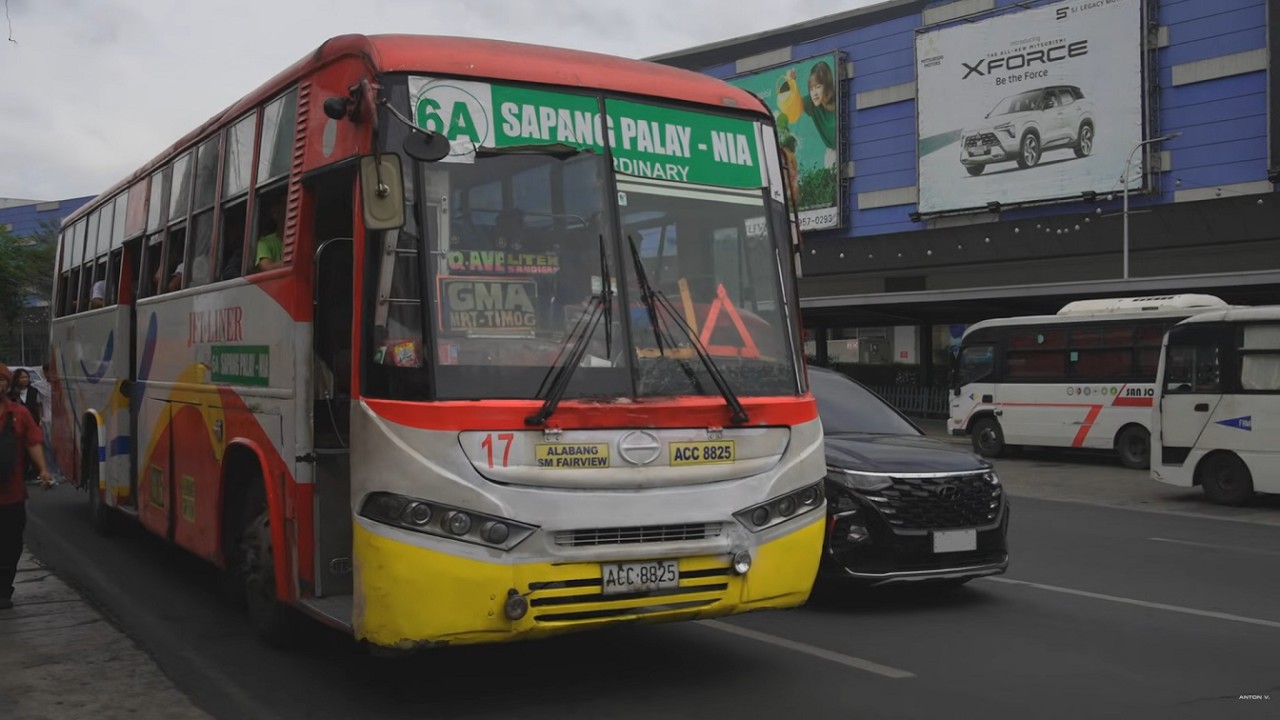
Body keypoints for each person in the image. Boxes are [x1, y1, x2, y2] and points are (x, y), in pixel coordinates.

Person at [0, 364, 54, 610]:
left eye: (1, 380)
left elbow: (33, 442)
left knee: (11, 544)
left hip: (12, 496)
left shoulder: (19, 414)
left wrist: (43, 469)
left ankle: (3, 591)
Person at [8, 369, 41, 483]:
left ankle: (36, 472)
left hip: (33, 423)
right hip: (16, 426)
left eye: (26, 377)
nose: (24, 380)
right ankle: (22, 472)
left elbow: (38, 407)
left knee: (33, 446)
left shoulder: (34, 391)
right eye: (22, 377)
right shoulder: (11, 394)